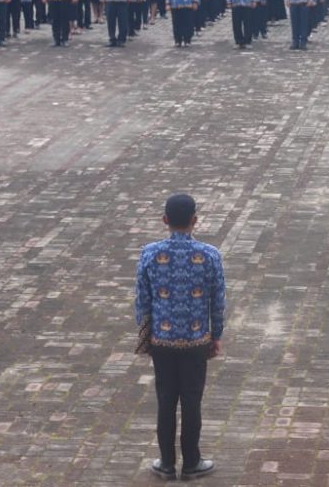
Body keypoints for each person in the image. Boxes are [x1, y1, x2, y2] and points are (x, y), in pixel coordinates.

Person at [134, 193, 225, 482]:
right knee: (191, 401)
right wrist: (216, 335)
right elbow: (218, 301)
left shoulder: (150, 254)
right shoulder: (210, 255)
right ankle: (192, 462)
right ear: (195, 220)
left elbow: (142, 301)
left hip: (162, 341)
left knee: (165, 400)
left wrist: (146, 335)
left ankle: (166, 463)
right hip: (197, 340)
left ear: (165, 220)